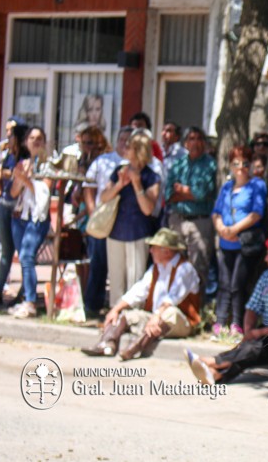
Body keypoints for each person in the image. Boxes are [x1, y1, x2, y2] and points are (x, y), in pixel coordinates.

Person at [184, 235, 268, 384]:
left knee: (254, 348)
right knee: (251, 347)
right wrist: (249, 330)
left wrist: (259, 332)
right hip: (265, 332)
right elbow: (252, 307)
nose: (265, 259)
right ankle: (215, 374)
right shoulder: (267, 276)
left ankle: (213, 361)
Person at [81, 228, 200, 361]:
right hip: (156, 317)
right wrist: (116, 309)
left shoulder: (185, 269)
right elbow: (138, 291)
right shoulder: (156, 267)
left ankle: (135, 348)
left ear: (166, 251)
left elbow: (172, 298)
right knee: (126, 315)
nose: (151, 251)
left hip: (180, 322)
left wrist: (157, 316)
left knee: (169, 313)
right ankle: (107, 344)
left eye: (154, 248)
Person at [211, 145, 267, 338]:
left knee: (237, 284)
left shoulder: (257, 184)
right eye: (236, 163)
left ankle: (237, 323)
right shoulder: (226, 186)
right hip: (226, 242)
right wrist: (222, 229)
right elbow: (216, 213)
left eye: (245, 163)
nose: (241, 167)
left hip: (244, 243)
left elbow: (256, 214)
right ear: (230, 165)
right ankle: (219, 322)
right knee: (224, 282)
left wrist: (234, 230)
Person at [101, 133, 161, 307]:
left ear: (138, 150)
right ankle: (115, 315)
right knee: (116, 279)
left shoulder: (151, 177)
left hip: (138, 233)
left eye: (129, 146)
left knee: (135, 281)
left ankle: (132, 316)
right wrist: (120, 184)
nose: (125, 149)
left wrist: (137, 184)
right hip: (115, 231)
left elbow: (148, 209)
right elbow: (104, 197)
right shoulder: (119, 171)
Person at [82, 126, 132, 315]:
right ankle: (92, 305)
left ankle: (119, 307)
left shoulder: (137, 164)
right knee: (98, 264)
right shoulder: (103, 161)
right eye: (122, 139)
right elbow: (89, 187)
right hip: (103, 219)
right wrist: (92, 214)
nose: (125, 143)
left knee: (122, 268)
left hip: (125, 223)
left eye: (129, 140)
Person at [7, 127, 53, 319]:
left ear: (44, 143)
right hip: (19, 217)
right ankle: (27, 298)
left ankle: (31, 302)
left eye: (39, 138)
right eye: (32, 138)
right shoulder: (23, 163)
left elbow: (44, 193)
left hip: (37, 218)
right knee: (24, 259)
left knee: (27, 256)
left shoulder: (49, 165)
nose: (35, 141)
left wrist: (25, 179)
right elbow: (13, 193)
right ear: (26, 142)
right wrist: (20, 179)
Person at [0, 123, 30, 308]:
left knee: (23, 250)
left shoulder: (27, 159)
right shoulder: (7, 156)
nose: (7, 140)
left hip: (20, 210)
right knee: (5, 250)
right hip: (4, 207)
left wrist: (8, 173)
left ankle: (23, 292)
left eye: (11, 136)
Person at [164, 126, 217, 284]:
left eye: (199, 139)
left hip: (199, 222)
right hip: (177, 220)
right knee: (174, 263)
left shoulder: (210, 164)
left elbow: (202, 194)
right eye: (191, 139)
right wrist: (189, 193)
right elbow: (168, 195)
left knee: (197, 267)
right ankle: (175, 304)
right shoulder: (179, 164)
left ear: (204, 143)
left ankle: (195, 305)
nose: (195, 143)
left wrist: (181, 190)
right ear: (185, 143)